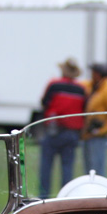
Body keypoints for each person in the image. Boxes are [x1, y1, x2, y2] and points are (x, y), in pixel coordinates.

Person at [38, 58, 87, 199]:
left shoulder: (54, 85)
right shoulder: (81, 89)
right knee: (67, 169)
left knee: (46, 167)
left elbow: (44, 103)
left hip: (54, 130)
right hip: (72, 132)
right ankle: (64, 198)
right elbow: (84, 109)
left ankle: (44, 199)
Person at [82, 63, 107, 176]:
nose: (91, 75)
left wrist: (101, 130)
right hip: (88, 133)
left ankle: (98, 192)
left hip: (98, 134)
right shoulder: (94, 85)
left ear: (99, 74)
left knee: (96, 169)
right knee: (89, 169)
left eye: (94, 72)